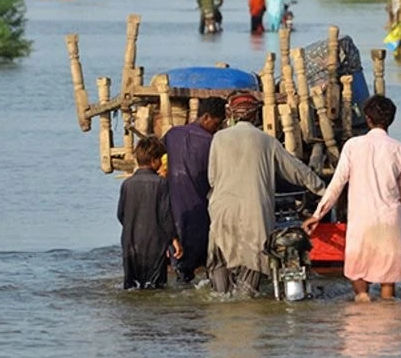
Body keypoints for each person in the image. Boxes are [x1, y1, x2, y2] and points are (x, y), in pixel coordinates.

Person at [207, 92, 326, 296]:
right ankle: (245, 302)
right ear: (255, 116)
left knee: (220, 258)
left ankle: (221, 298)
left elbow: (212, 177)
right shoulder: (267, 140)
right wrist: (323, 189)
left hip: (222, 208)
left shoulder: (219, 138)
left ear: (232, 115)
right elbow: (296, 170)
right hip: (255, 210)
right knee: (253, 261)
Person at [304, 95, 401, 301]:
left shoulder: (353, 146)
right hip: (391, 221)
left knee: (359, 280)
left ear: (367, 118)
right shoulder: (400, 149)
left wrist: (318, 215)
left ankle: (361, 311)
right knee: (388, 289)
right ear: (391, 119)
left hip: (362, 223)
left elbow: (336, 184)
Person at [164, 97, 227, 283]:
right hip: (200, 211)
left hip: (174, 211)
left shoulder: (172, 134)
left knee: (180, 265)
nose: (217, 127)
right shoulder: (211, 142)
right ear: (206, 117)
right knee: (204, 264)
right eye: (216, 123)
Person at [116, 136, 183, 290]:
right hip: (154, 244)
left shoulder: (127, 184)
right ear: (153, 160)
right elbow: (165, 216)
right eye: (160, 159)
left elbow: (120, 215)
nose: (161, 163)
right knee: (156, 288)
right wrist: (174, 240)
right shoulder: (161, 183)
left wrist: (133, 227)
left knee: (132, 287)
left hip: (130, 243)